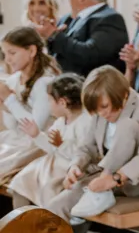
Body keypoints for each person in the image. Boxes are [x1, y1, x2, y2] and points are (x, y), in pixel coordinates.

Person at [47, 65, 139, 222]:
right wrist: (75, 166)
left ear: (122, 95)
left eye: (104, 107)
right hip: (102, 175)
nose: (102, 114)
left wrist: (114, 178)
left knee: (127, 125)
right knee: (56, 206)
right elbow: (86, 147)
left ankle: (103, 187)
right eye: (97, 110)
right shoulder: (100, 110)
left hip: (138, 181)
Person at [8, 73, 88, 208]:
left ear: (62, 102)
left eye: (50, 101)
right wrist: (37, 135)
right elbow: (51, 147)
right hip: (51, 163)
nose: (49, 105)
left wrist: (61, 145)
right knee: (21, 181)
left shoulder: (85, 122)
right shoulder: (60, 122)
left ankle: (47, 224)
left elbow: (84, 153)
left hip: (69, 168)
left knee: (48, 189)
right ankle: (20, 222)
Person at [33, 0, 129, 77]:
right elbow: (59, 53)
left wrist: (54, 34)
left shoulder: (110, 18)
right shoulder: (68, 19)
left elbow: (90, 54)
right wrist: (50, 37)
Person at [0, 27, 56, 185]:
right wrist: (5, 107)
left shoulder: (44, 82)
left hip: (38, 144)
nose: (8, 60)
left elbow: (34, 128)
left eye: (12, 53)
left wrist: (9, 99)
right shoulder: (15, 79)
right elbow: (12, 126)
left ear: (31, 51)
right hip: (18, 140)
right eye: (5, 54)